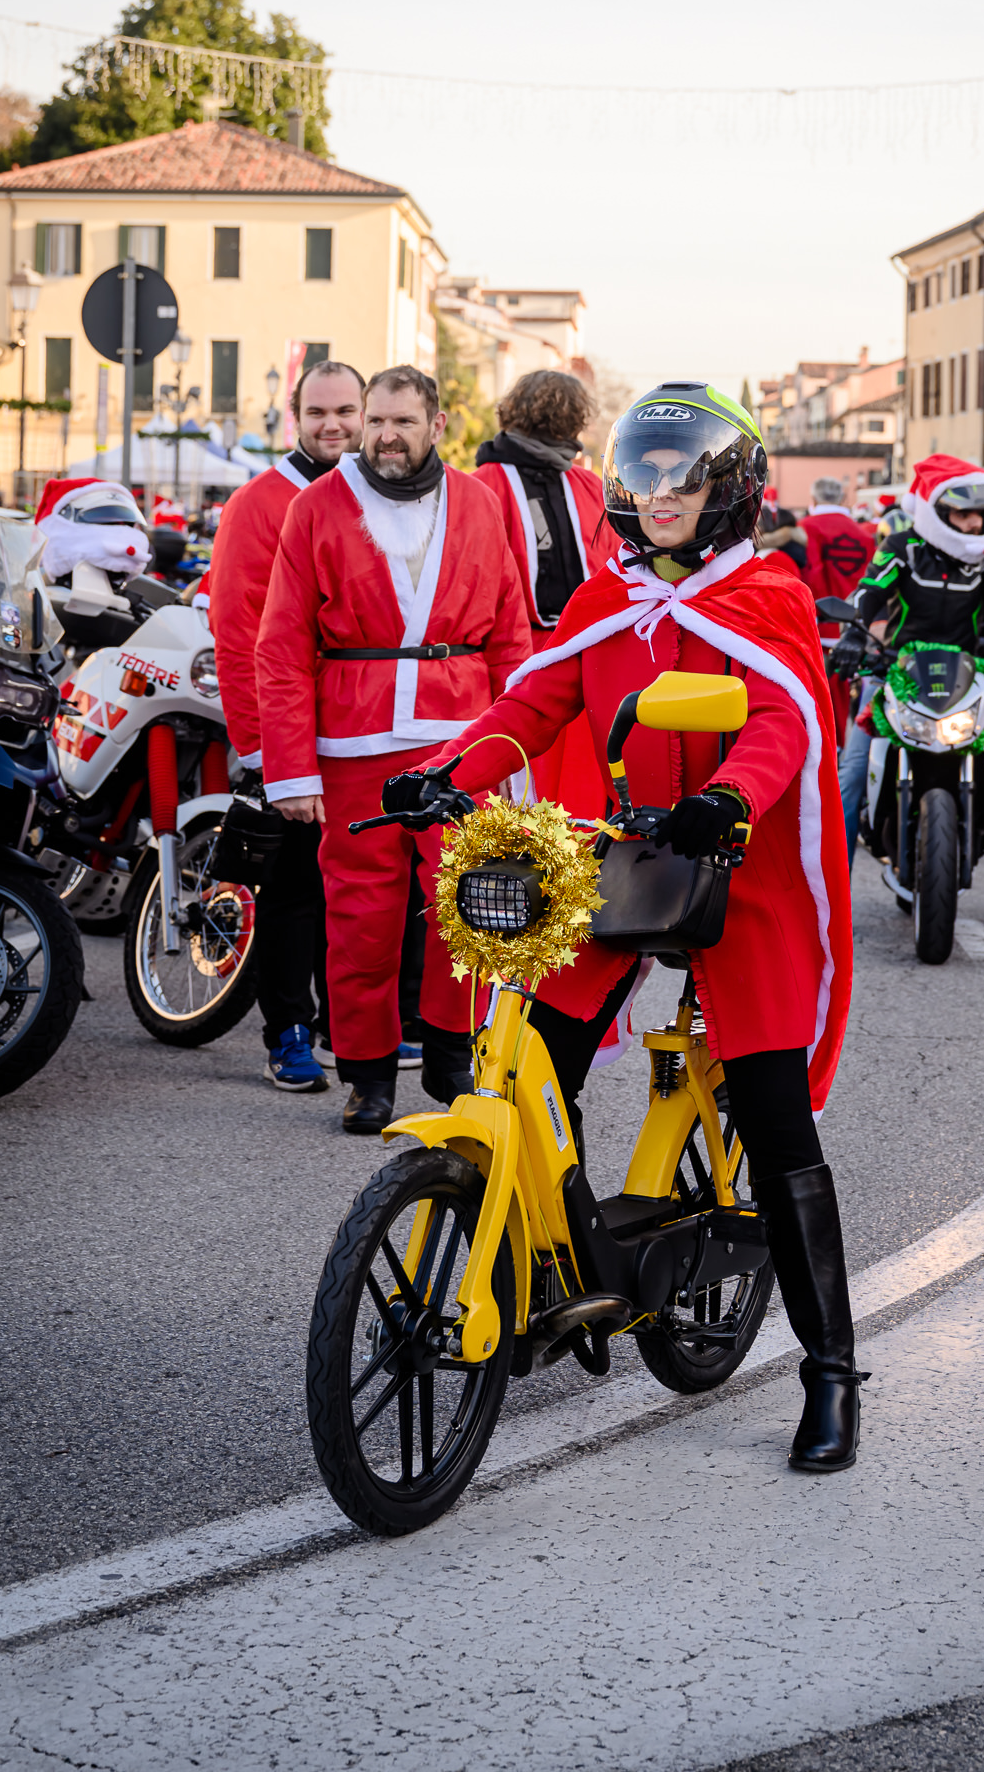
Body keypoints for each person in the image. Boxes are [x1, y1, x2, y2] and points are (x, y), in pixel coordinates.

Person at [390, 381, 860, 1473]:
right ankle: (557, 1264)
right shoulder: (607, 596)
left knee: (774, 1117)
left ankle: (831, 1370)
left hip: (738, 865)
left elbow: (784, 722)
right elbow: (529, 704)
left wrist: (731, 798)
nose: (659, 494)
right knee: (537, 1053)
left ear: (728, 488)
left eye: (681, 477)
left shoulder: (768, 594)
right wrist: (443, 771)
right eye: (643, 474)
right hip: (628, 857)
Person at [256, 364, 531, 1132]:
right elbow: (281, 646)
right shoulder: (316, 507)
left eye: (402, 422)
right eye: (375, 420)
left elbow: (510, 634)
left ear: (436, 425)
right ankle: (368, 1075)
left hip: (461, 743)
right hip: (353, 744)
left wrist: (513, 750)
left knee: (465, 908)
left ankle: (447, 1054)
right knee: (360, 922)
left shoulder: (477, 503)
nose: (384, 436)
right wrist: (290, 771)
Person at [208, 360, 364, 1093]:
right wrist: (259, 746)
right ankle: (288, 1032)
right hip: (291, 732)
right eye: (318, 412)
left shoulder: (371, 495)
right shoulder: (258, 502)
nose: (333, 425)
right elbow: (236, 631)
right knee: (295, 888)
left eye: (346, 411)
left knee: (355, 887)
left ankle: (345, 1027)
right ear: (295, 416)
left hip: (361, 731)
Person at [841, 453, 984, 847]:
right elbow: (868, 591)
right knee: (854, 769)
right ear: (938, 512)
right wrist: (852, 635)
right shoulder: (902, 546)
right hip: (894, 666)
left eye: (981, 513)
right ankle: (832, 879)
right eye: (964, 514)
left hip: (968, 670)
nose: (976, 523)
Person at [473, 368, 611, 815]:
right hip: (581, 664)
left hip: (517, 666)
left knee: (513, 806)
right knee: (577, 808)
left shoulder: (478, 486)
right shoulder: (593, 489)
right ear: (576, 420)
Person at [802, 477, 873, 745]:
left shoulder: (807, 528)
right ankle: (843, 746)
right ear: (843, 499)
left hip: (820, 623)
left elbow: (812, 575)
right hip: (857, 626)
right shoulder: (863, 533)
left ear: (813, 499)